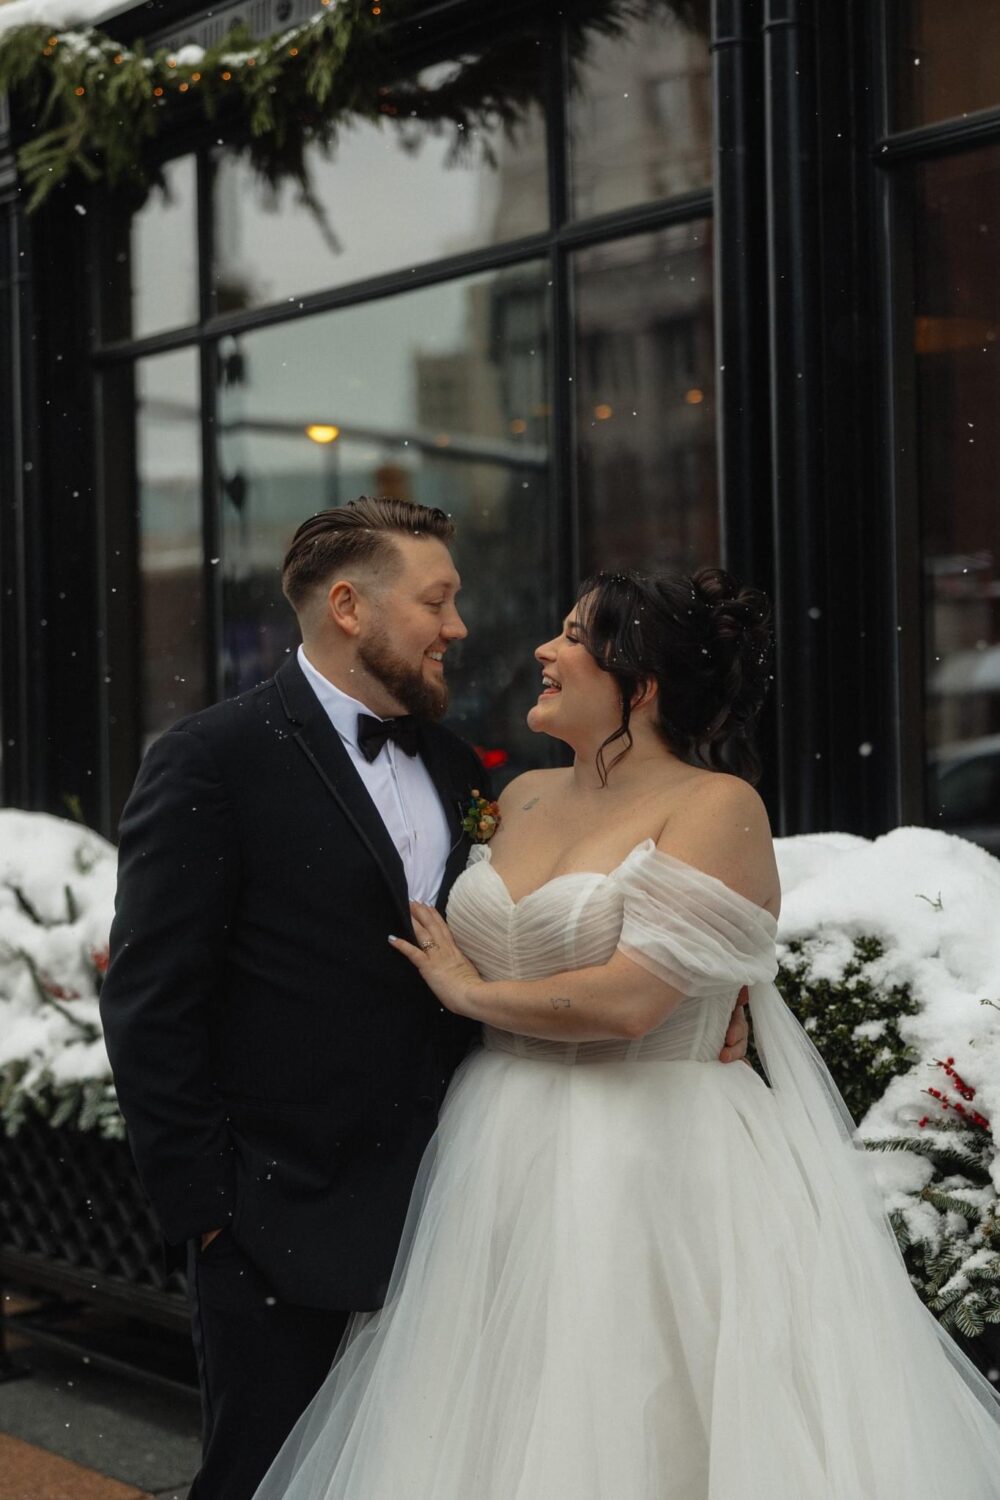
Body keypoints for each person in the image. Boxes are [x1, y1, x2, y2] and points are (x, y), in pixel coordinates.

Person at [253, 567, 1000, 1500]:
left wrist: (468, 992)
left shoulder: (714, 806)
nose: (543, 650)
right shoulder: (518, 796)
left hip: (657, 1147)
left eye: (573, 637)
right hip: (495, 1146)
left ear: (639, 686)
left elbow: (630, 1001)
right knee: (485, 1418)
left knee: (648, 1411)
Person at [98, 501, 749, 1500]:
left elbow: (594, 919)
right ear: (349, 606)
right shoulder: (211, 759)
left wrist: (705, 992)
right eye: (436, 600)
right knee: (264, 1477)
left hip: (466, 1200)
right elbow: (151, 1002)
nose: (459, 627)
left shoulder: (463, 768)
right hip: (280, 1217)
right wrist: (210, 1213)